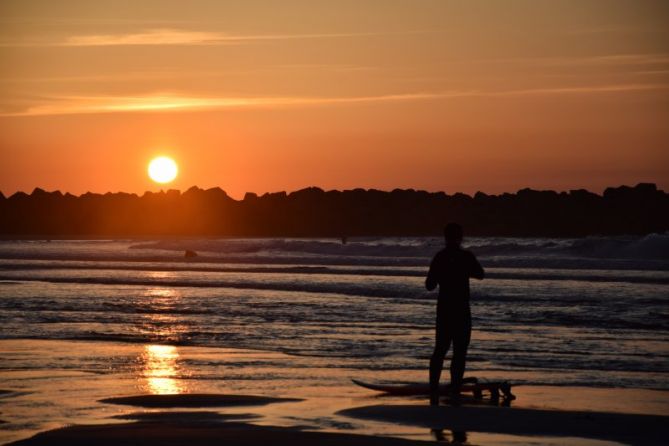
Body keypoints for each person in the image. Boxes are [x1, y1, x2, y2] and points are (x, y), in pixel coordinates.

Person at [426, 223, 484, 405]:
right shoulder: (466, 256)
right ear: (460, 237)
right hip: (461, 310)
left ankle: (433, 389)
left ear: (445, 237)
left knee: (440, 350)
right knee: (460, 352)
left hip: (444, 310)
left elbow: (429, 285)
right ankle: (456, 389)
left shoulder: (440, 257)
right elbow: (481, 274)